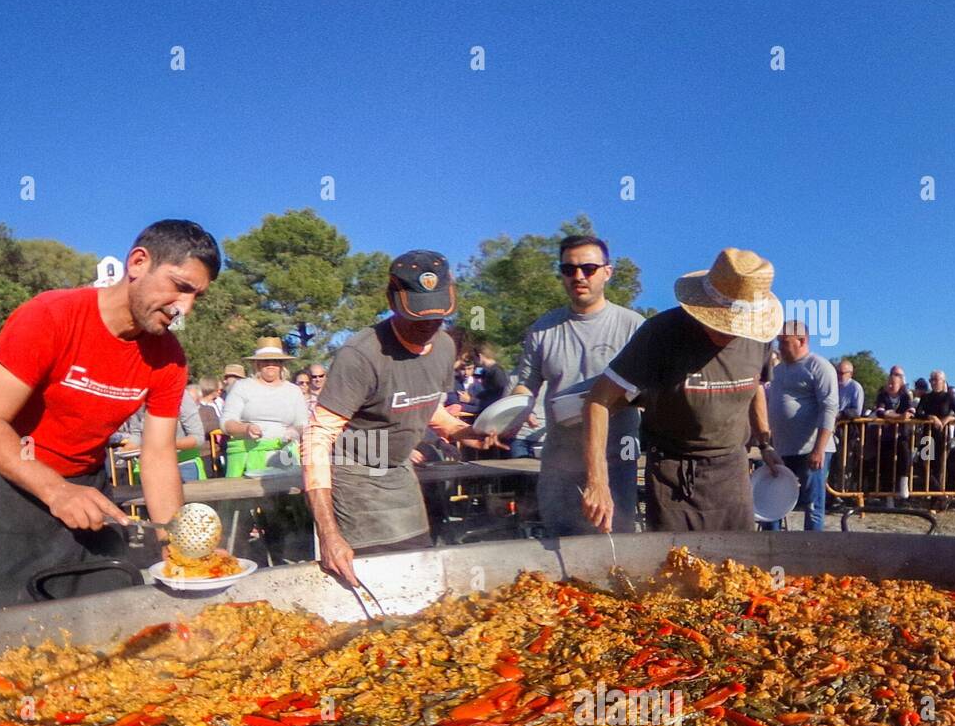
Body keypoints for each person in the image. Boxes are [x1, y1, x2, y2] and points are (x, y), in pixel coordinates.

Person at [0, 220, 217, 610]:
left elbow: (159, 454)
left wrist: (174, 543)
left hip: (89, 487)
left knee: (106, 610)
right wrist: (55, 490)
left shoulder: (169, 358)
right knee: (10, 626)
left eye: (197, 296)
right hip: (12, 486)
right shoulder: (50, 316)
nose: (185, 307)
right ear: (138, 262)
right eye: (181, 287)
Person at [301, 252, 495, 585]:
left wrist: (460, 431)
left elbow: (425, 402)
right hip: (356, 474)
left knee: (417, 566)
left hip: (400, 472)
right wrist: (328, 533)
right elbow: (317, 439)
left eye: (439, 315)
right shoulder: (360, 356)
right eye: (418, 316)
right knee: (371, 578)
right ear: (393, 301)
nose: (429, 325)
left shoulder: (445, 346)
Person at [583, 248, 777, 533]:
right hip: (673, 473)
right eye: (720, 324)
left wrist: (765, 443)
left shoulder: (758, 339)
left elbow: (755, 386)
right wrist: (597, 482)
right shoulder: (661, 333)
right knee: (674, 568)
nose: (728, 334)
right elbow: (598, 401)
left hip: (732, 470)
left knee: (740, 568)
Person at [514, 232, 645, 536]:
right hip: (559, 466)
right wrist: (506, 415)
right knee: (562, 557)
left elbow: (652, 394)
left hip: (615, 465)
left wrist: (606, 401)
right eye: (568, 269)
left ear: (607, 273)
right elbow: (525, 387)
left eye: (588, 268)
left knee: (616, 554)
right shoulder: (542, 329)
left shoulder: (633, 326)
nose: (578, 276)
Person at [765, 318, 839, 531]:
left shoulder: (819, 366)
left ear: (801, 340)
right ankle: (773, 551)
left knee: (812, 505)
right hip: (782, 448)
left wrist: (819, 448)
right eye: (778, 341)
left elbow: (829, 408)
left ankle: (812, 553)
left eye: (784, 341)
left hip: (811, 450)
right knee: (774, 502)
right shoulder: (778, 371)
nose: (779, 346)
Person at [218, 338, 310, 477]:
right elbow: (226, 423)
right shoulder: (242, 387)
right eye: (266, 361)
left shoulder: (294, 391)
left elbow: (303, 424)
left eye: (275, 361)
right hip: (246, 457)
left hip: (284, 457)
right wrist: (246, 429)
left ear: (282, 364)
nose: (270, 365)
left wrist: (294, 432)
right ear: (257, 363)